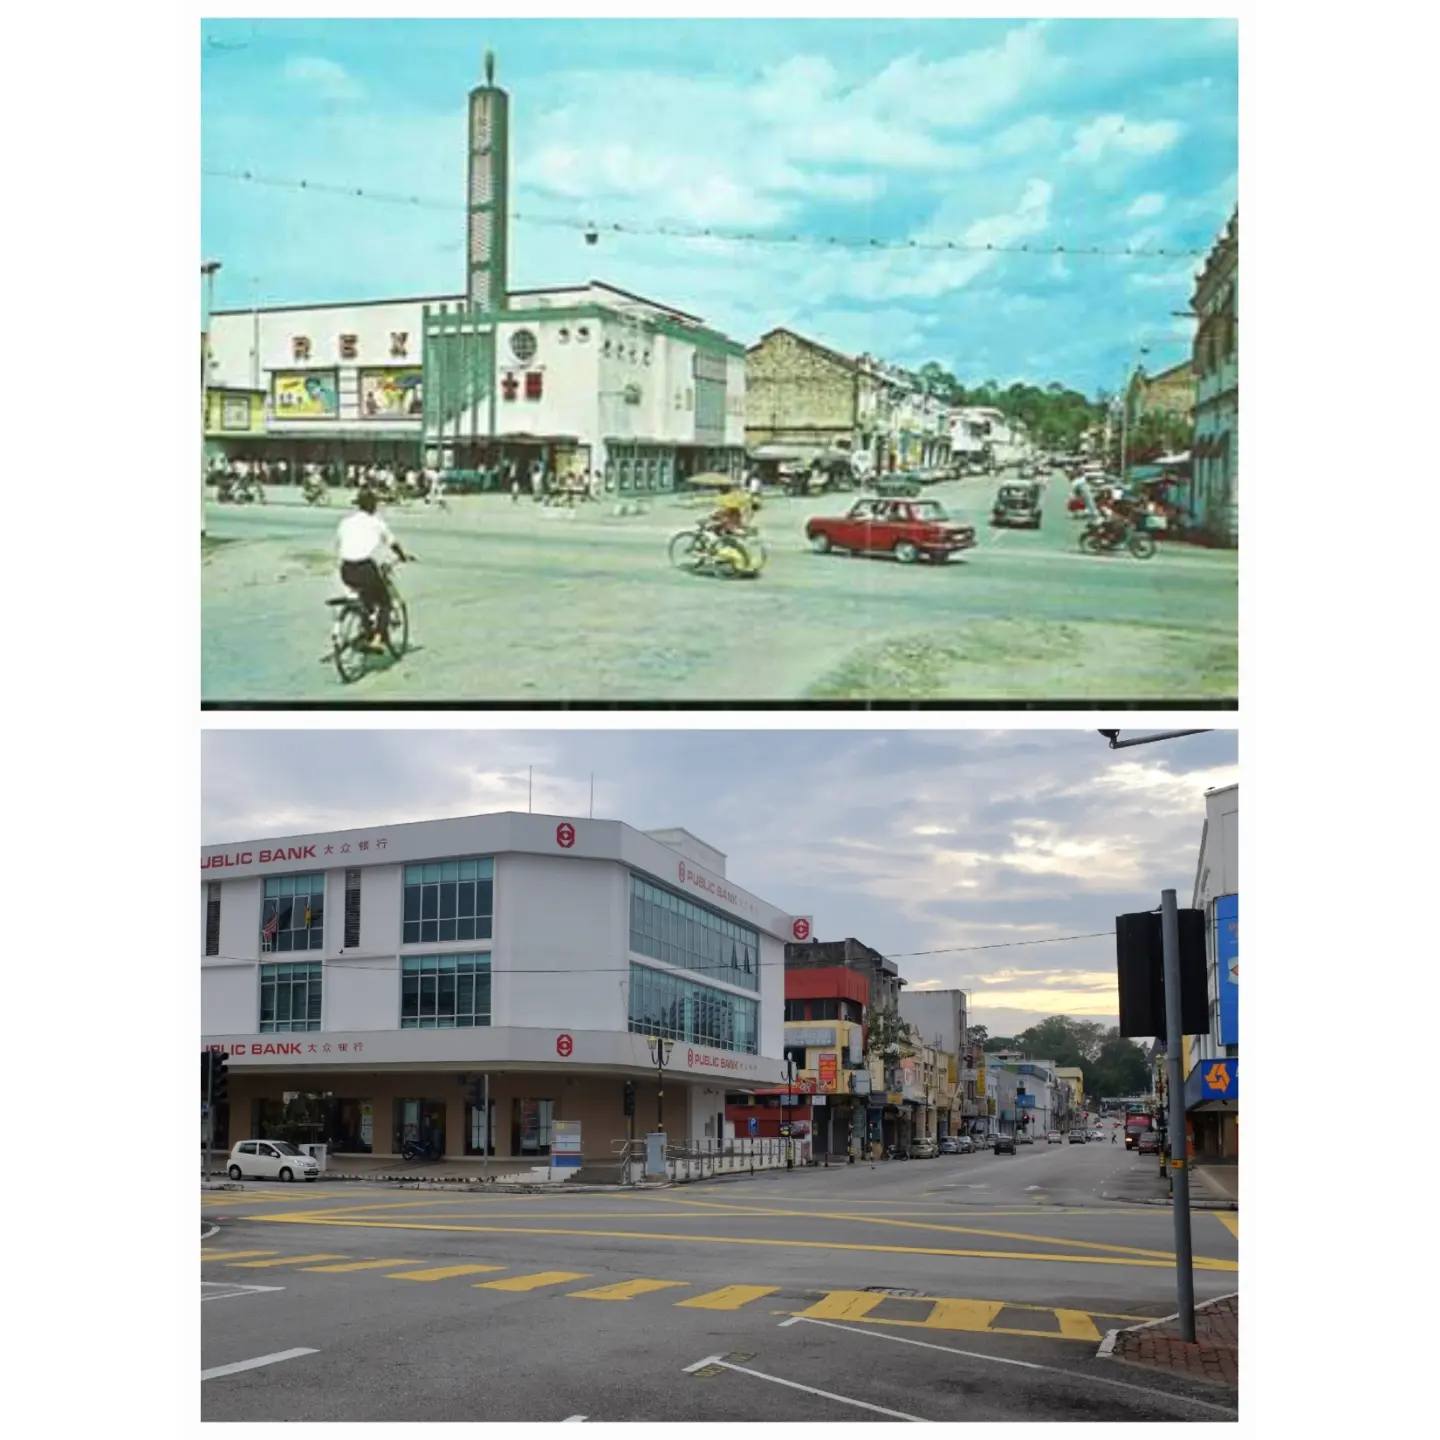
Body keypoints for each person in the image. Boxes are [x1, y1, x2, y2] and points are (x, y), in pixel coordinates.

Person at [335, 490, 412, 651]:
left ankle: (365, 627)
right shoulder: (376, 523)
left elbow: (341, 544)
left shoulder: (346, 522)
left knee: (366, 599)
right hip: (365, 569)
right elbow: (392, 543)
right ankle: (377, 639)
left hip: (346, 569)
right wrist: (402, 556)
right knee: (385, 602)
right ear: (373, 506)